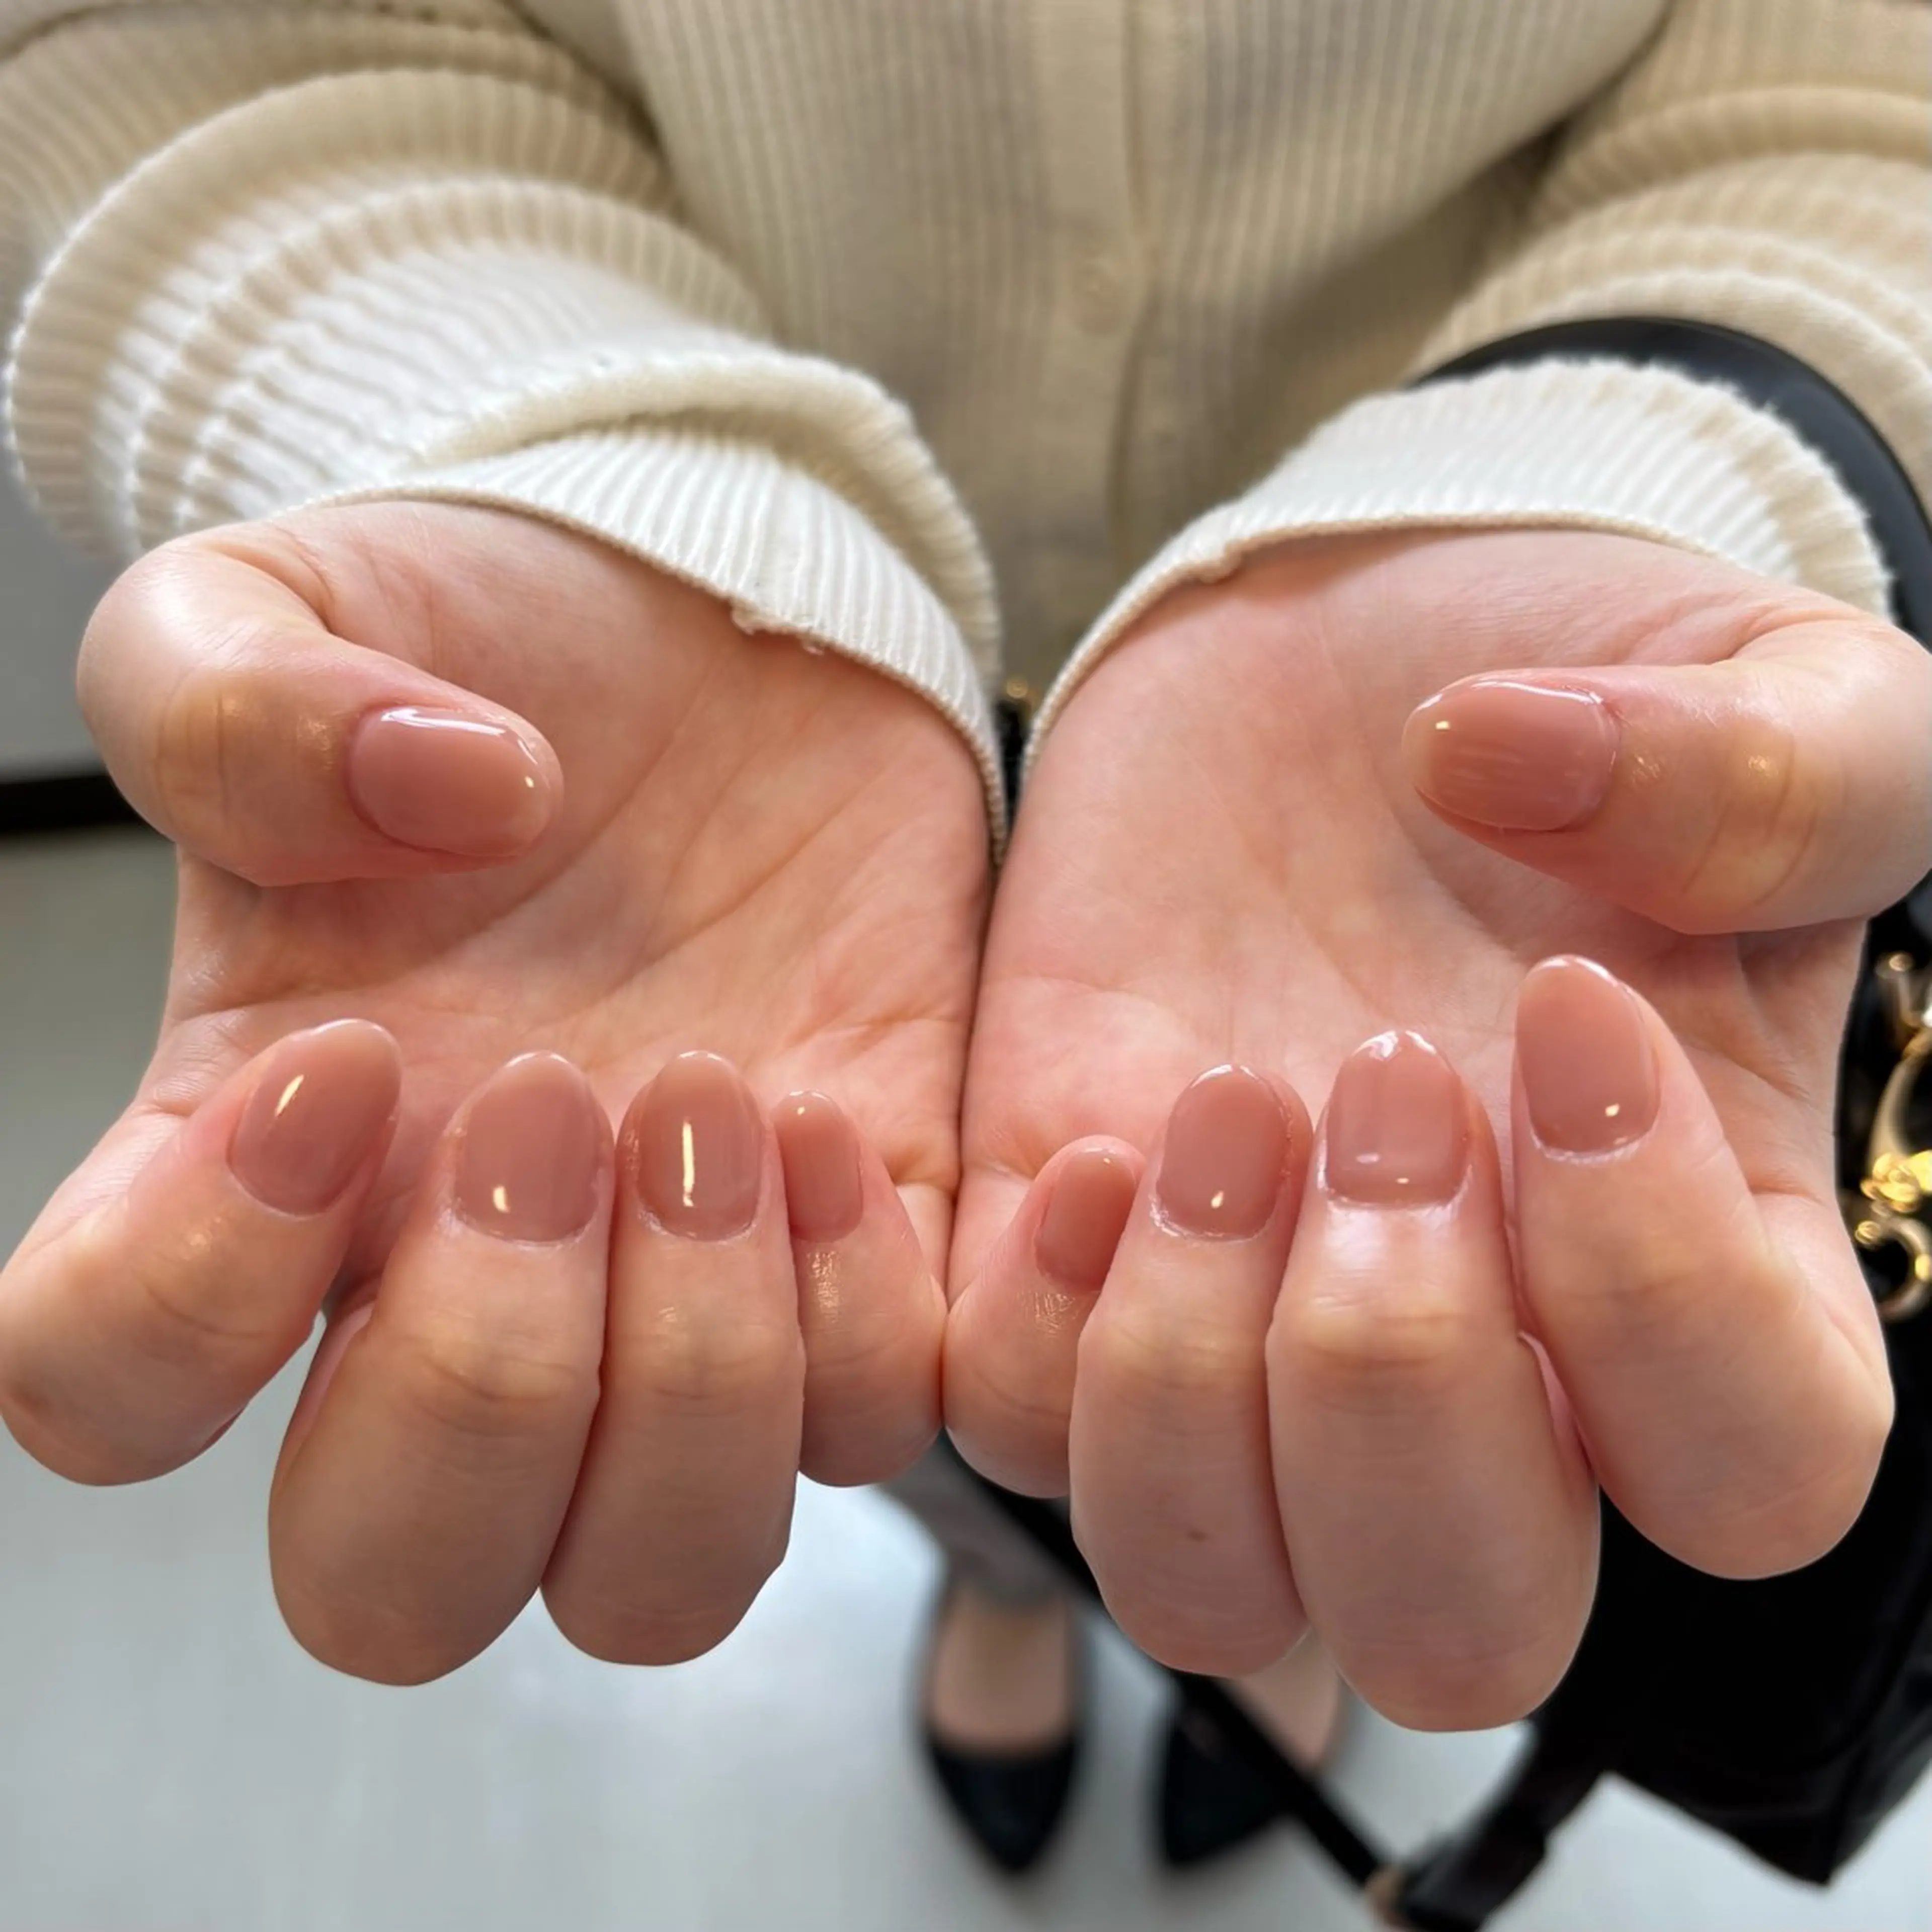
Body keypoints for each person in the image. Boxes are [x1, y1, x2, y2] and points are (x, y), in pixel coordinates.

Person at [1, 0, 1928, 1880]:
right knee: (848, 1316)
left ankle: (1257, 1616)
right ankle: (1008, 1582)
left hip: (1432, 754)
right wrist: (590, 487)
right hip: (712, 761)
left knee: (1309, 1358)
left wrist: (1656, 487)